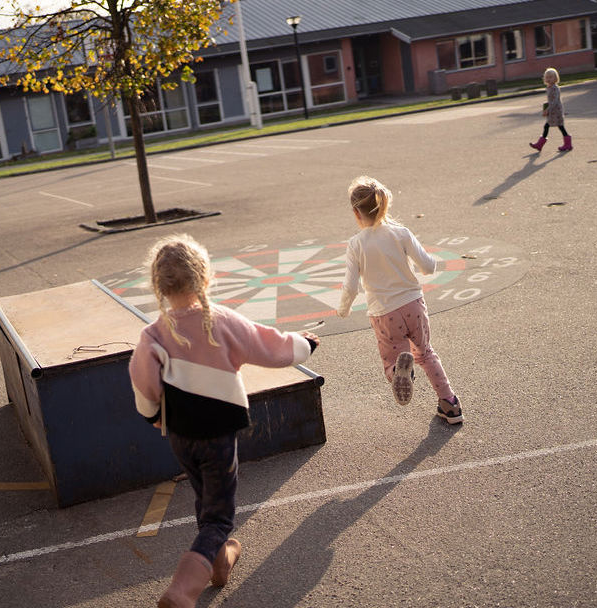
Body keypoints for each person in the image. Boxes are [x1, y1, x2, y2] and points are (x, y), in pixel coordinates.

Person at [129, 234, 319, 608]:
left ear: (159, 287)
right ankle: (183, 590)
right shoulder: (221, 322)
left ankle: (220, 564)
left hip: (180, 435)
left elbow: (143, 383)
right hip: (218, 435)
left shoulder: (153, 335)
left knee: (206, 500)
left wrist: (152, 415)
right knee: (219, 518)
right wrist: (304, 344)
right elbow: (270, 346)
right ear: (206, 278)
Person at [336, 176, 463, 424]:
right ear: (384, 204)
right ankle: (450, 404)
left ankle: (398, 372)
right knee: (426, 353)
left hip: (383, 312)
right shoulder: (401, 233)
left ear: (355, 212)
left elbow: (350, 286)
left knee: (391, 360)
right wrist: (431, 264)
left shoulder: (355, 244)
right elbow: (427, 266)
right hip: (413, 304)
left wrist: (343, 309)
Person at [530, 67, 573, 152]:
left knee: (559, 126)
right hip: (552, 110)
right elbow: (550, 100)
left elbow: (555, 101)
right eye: (547, 77)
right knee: (550, 126)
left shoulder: (555, 88)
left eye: (551, 77)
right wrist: (546, 107)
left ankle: (567, 144)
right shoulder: (549, 88)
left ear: (555, 78)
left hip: (556, 111)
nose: (548, 79)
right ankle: (540, 144)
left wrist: (548, 109)